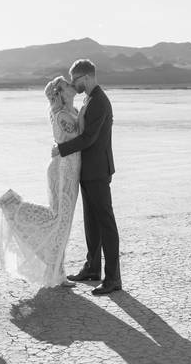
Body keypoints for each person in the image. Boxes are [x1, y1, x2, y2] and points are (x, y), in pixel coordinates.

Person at [0, 76, 82, 287]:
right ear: (60, 93)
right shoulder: (61, 116)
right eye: (68, 84)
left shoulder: (72, 112)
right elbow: (81, 138)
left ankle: (57, 270)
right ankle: (12, 204)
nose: (72, 85)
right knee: (58, 217)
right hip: (62, 170)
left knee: (62, 224)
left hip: (71, 169)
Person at [56, 59, 121, 295]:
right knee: (91, 222)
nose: (73, 84)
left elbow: (90, 138)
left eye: (75, 80)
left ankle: (113, 278)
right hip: (88, 169)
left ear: (85, 77)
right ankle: (93, 268)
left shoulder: (99, 102)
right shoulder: (89, 99)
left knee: (105, 223)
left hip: (98, 171)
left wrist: (61, 149)